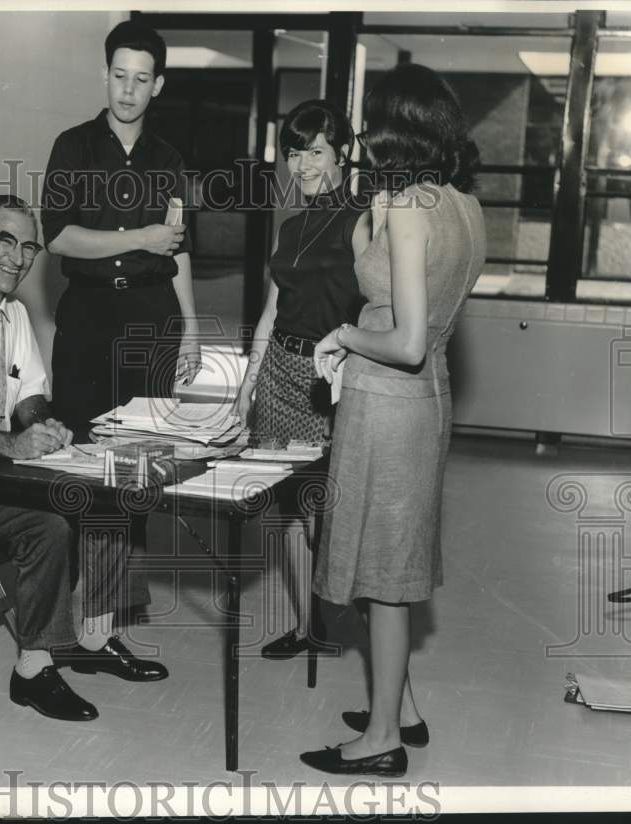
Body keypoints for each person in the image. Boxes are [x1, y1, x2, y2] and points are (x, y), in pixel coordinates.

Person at [0, 195, 165, 725]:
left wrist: (43, 425)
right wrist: (10, 446)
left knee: (106, 495)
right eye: (5, 240)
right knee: (46, 526)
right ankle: (33, 670)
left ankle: (91, 638)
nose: (18, 258)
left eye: (28, 246)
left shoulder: (14, 312)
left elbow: (28, 397)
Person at [300, 64, 486, 776]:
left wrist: (344, 337)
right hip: (431, 402)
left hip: (388, 402)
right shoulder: (462, 204)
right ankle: (400, 708)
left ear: (391, 126)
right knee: (395, 563)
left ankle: (379, 740)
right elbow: (428, 332)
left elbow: (403, 341)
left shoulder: (409, 206)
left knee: (381, 574)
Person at [40, 20, 200, 653]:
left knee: (136, 472)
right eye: (118, 76)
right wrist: (140, 238)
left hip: (152, 319)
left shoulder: (167, 160)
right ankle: (72, 618)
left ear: (157, 85)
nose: (128, 91)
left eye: (141, 80)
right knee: (83, 463)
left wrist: (187, 328)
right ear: (104, 75)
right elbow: (58, 237)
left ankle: (104, 627)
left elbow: (178, 249)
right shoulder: (73, 147)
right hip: (88, 322)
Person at [235, 100, 367, 661]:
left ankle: (345, 617)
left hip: (331, 377)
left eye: (315, 150)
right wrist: (249, 382)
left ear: (343, 153)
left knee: (326, 509)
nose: (303, 164)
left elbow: (379, 309)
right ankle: (310, 624)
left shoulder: (364, 222)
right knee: (287, 509)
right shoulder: (290, 228)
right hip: (281, 375)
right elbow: (271, 311)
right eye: (294, 152)